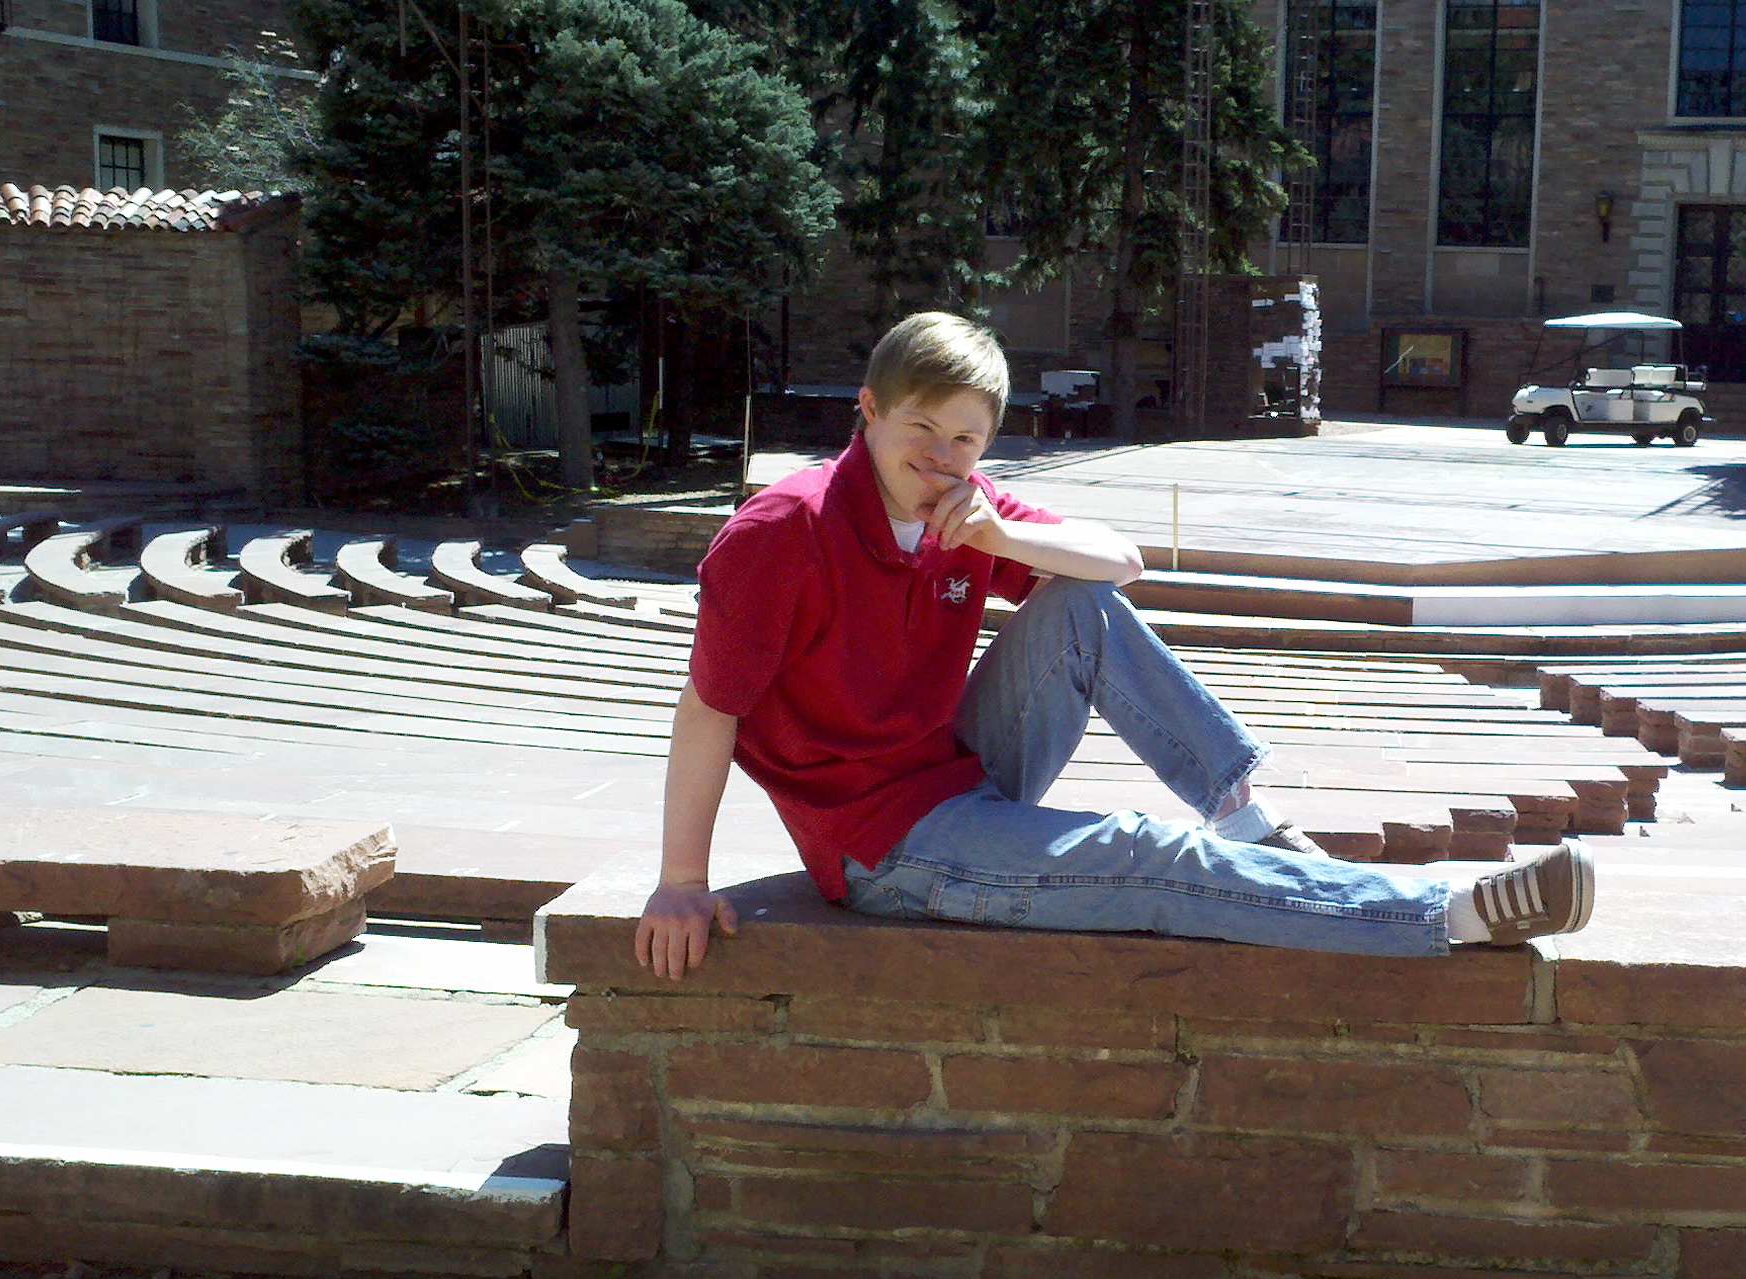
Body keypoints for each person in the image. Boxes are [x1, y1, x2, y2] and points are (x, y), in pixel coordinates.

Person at [635, 312, 1595, 978]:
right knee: (1147, 857)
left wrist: (1003, 537)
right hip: (885, 845)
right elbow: (708, 708)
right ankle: (1445, 917)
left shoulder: (965, 508)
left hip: (955, 770)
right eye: (920, 426)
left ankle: (1242, 813)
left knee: (1079, 603)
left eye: (966, 438)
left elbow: (1120, 561)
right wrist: (682, 882)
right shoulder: (783, 532)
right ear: (869, 410)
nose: (940, 455)